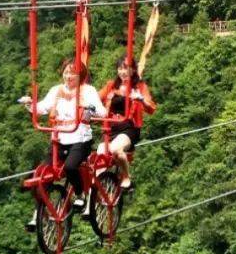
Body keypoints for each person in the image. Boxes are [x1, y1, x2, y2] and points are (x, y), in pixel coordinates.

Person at [20, 58, 105, 230]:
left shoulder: (88, 91)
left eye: (72, 72)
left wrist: (89, 108)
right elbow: (43, 108)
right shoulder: (56, 90)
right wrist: (30, 104)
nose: (68, 76)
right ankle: (39, 213)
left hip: (80, 139)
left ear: (80, 75)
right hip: (59, 139)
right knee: (41, 174)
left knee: (71, 167)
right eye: (66, 72)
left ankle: (80, 194)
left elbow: (102, 111)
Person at [97, 58, 156, 189]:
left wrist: (140, 99)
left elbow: (151, 108)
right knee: (99, 159)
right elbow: (96, 98)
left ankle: (126, 176)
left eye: (126, 68)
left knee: (116, 150)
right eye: (120, 68)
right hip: (111, 127)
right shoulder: (111, 86)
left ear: (133, 70)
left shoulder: (140, 87)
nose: (122, 72)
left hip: (129, 127)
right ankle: (95, 195)